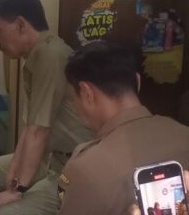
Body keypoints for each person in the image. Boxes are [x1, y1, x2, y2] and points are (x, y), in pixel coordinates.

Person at [0, 0, 93, 215]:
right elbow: (30, 128)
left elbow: (39, 130)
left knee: (7, 211)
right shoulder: (37, 56)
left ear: (20, 24)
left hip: (74, 167)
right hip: (52, 158)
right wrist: (13, 175)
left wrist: (18, 188)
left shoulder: (51, 56)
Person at [59, 42, 189, 215]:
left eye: (72, 98)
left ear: (86, 92)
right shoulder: (184, 134)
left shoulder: (85, 169)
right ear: (138, 81)